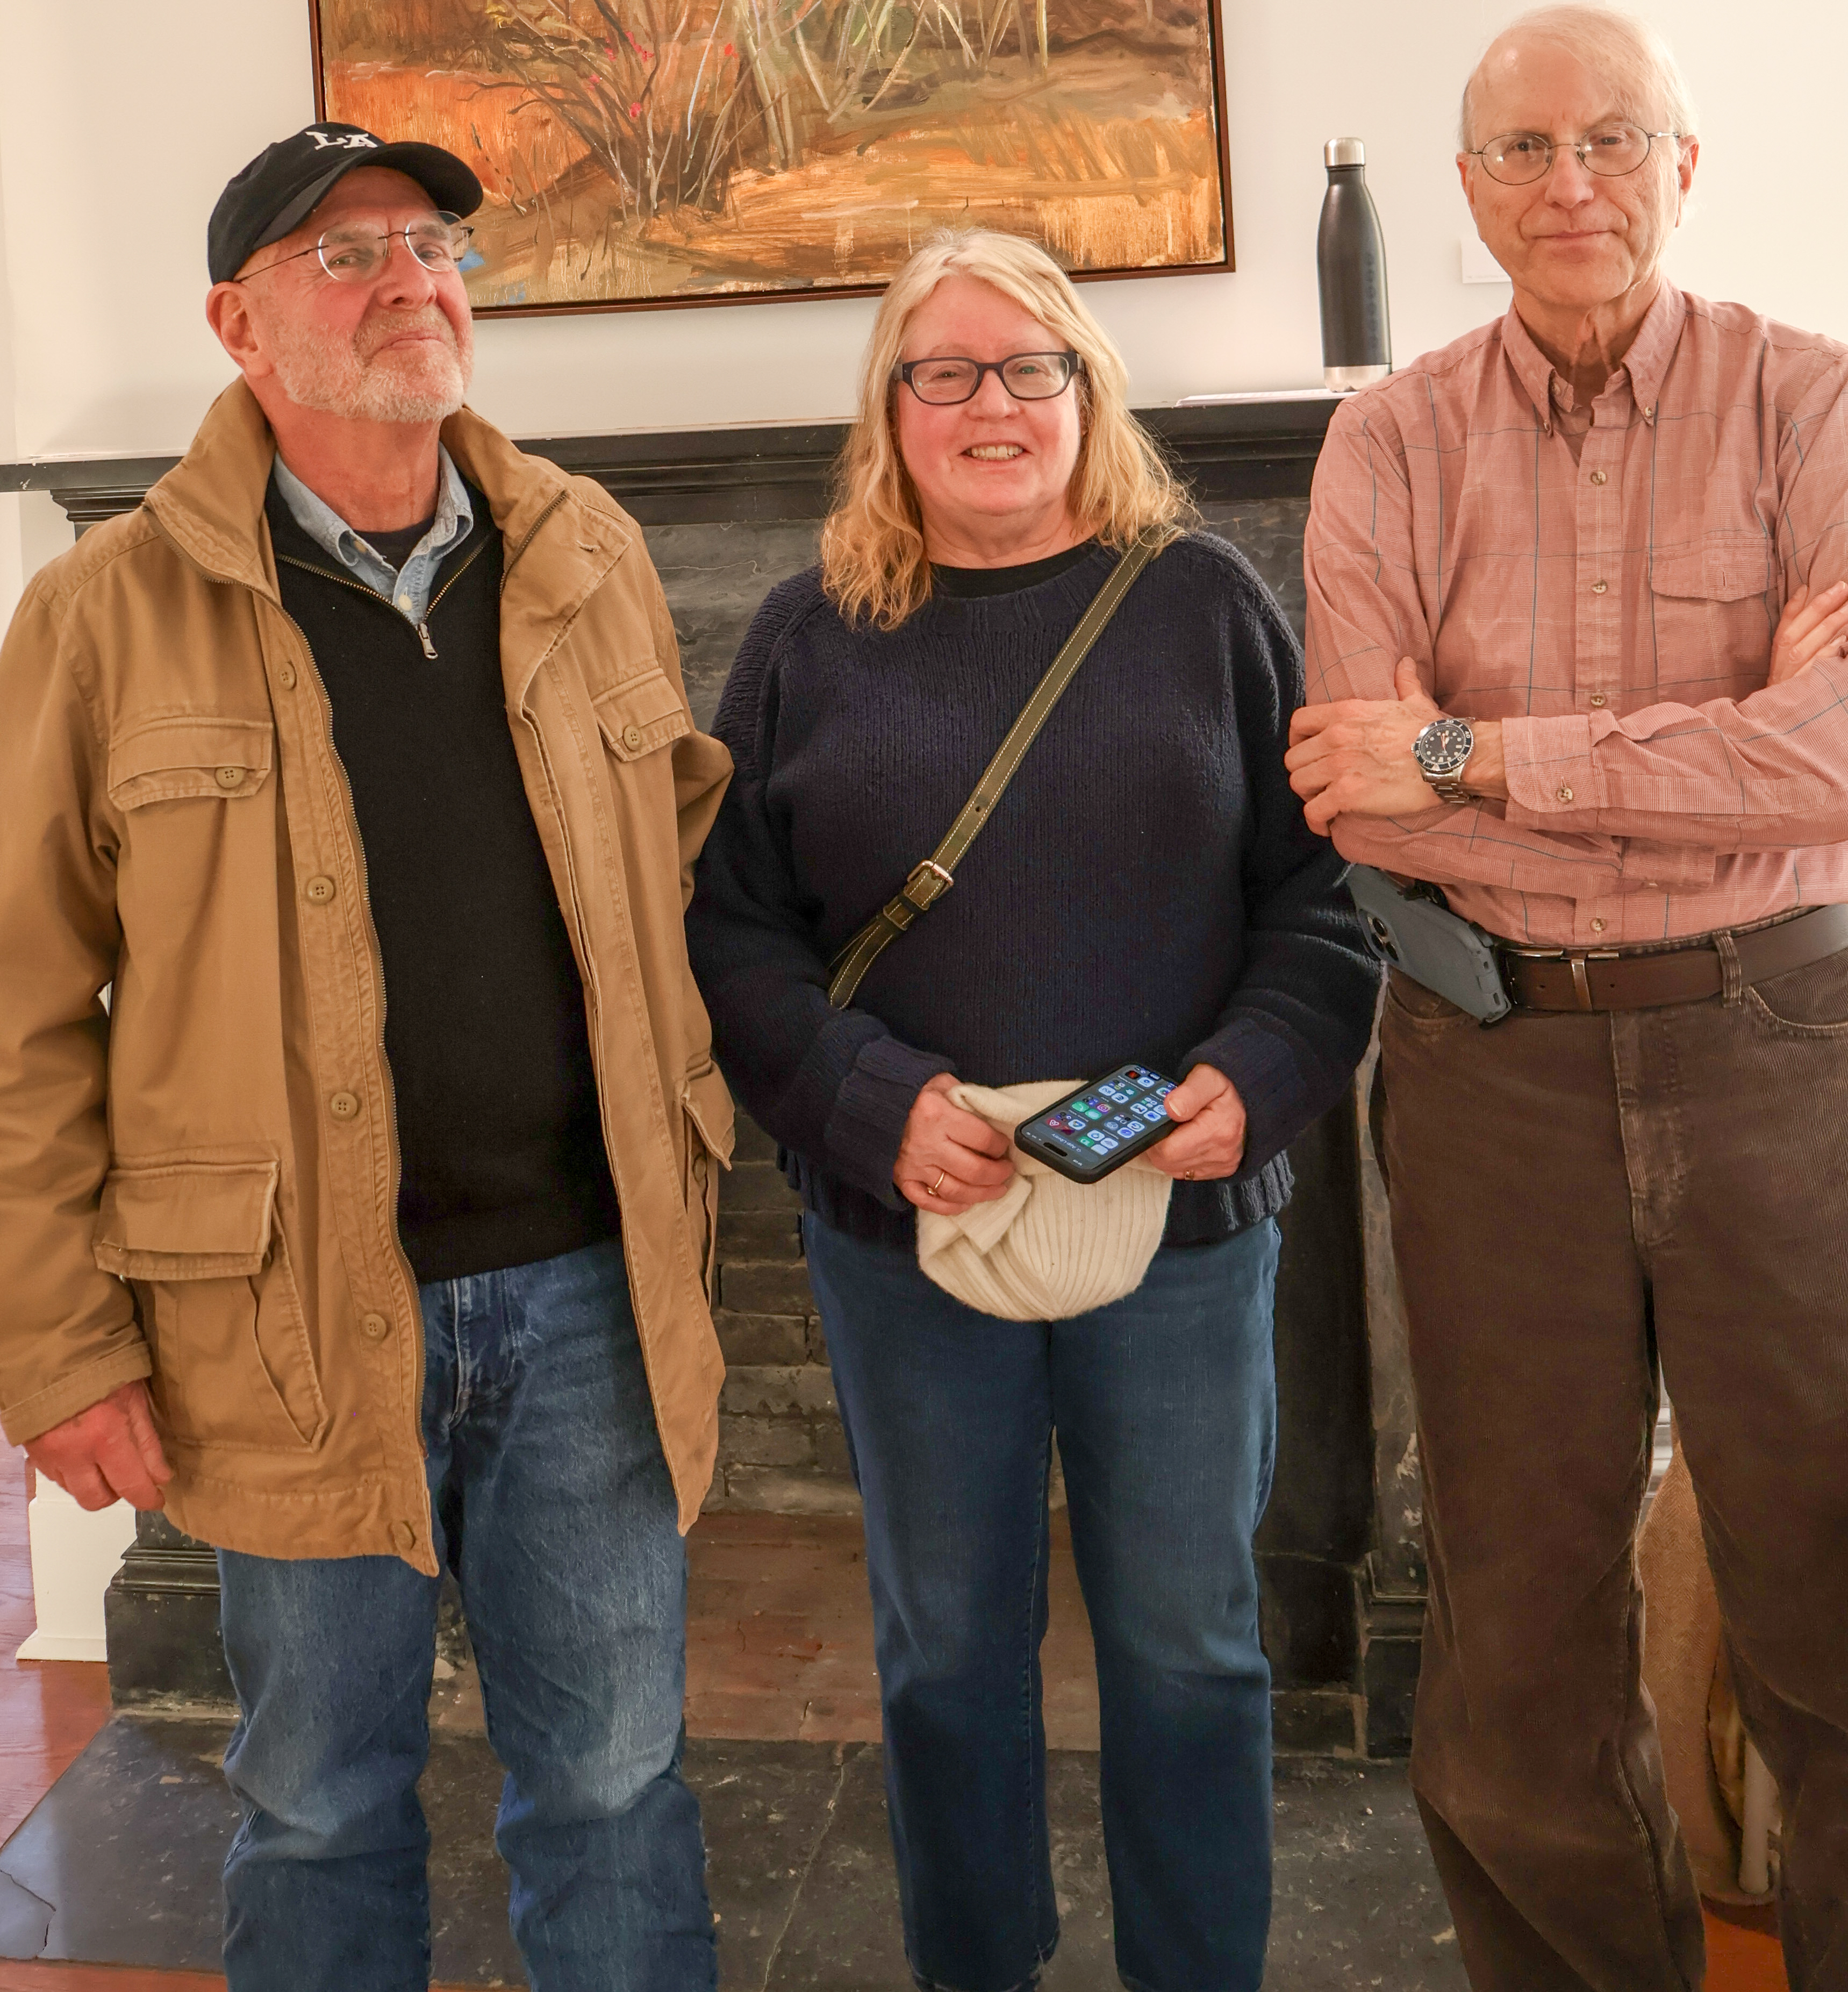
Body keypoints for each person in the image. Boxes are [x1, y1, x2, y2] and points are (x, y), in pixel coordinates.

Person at [0, 123, 734, 1990]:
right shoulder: (100, 616)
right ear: (239, 322)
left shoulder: (590, 552)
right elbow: (14, 1015)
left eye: (433, 249)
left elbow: (676, 874)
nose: (413, 281)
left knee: (619, 1786)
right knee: (321, 1801)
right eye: (350, 256)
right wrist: (60, 1347)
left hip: (590, 1293)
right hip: (284, 1318)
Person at [686, 229, 1380, 1992]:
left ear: (1088, 393)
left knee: (1191, 1647)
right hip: (908, 1232)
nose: (991, 404)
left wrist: (1256, 1076)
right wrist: (867, 1100)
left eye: (1030, 369)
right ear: (890, 410)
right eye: (946, 372)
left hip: (1184, 1232)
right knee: (943, 1656)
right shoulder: (805, 635)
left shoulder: (1207, 604)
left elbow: (1324, 901)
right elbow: (734, 935)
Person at [1288, 10, 1848, 1988]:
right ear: (1467, 195)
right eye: (1522, 151)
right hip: (1486, 1057)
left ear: (1683, 169)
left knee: (1834, 1595)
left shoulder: (1817, 403)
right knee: (1516, 1635)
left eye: (1613, 140)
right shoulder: (1389, 437)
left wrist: (1488, 757)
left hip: (1786, 1050)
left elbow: (1843, 755)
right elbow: (1362, 788)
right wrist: (1689, 760)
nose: (1570, 183)